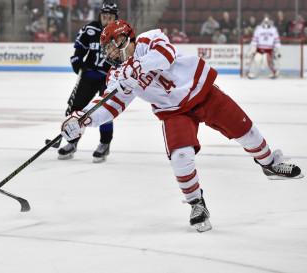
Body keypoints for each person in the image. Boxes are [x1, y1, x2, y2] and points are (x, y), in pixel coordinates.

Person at [60, 19, 303, 232]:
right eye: (107, 49)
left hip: (201, 91)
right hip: (173, 112)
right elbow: (109, 106)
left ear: (124, 38)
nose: (110, 53)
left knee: (246, 131)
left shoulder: (149, 38)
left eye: (112, 45)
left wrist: (138, 66)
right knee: (180, 156)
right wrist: (82, 119)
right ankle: (197, 204)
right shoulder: (118, 76)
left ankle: (269, 164)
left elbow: (165, 57)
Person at [57, 1, 118, 163]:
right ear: (100, 15)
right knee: (76, 109)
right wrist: (77, 63)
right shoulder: (90, 29)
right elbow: (79, 51)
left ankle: (104, 143)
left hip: (109, 78)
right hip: (90, 75)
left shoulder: (121, 32)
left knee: (105, 111)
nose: (107, 19)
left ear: (115, 17)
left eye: (110, 16)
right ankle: (72, 142)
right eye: (104, 16)